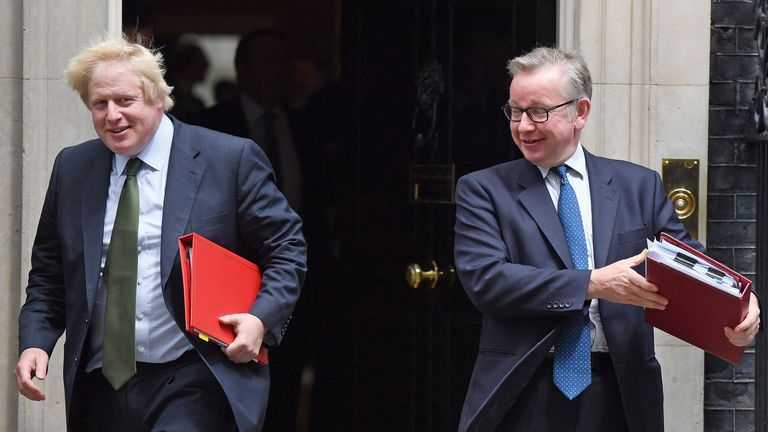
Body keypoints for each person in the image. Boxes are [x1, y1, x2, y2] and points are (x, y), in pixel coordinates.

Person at [453, 47, 761, 432]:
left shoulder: (638, 186)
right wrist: (593, 284)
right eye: (515, 111)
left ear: (580, 111)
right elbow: (487, 281)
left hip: (621, 391)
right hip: (525, 387)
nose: (523, 126)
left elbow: (688, 264)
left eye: (538, 112)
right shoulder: (483, 190)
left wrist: (739, 302)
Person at [14, 37, 306, 432]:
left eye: (125, 101)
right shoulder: (73, 167)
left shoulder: (229, 158)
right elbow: (49, 274)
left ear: (157, 98)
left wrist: (260, 319)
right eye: (100, 104)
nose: (112, 115)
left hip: (191, 377)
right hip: (101, 385)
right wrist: (36, 342)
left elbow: (286, 247)